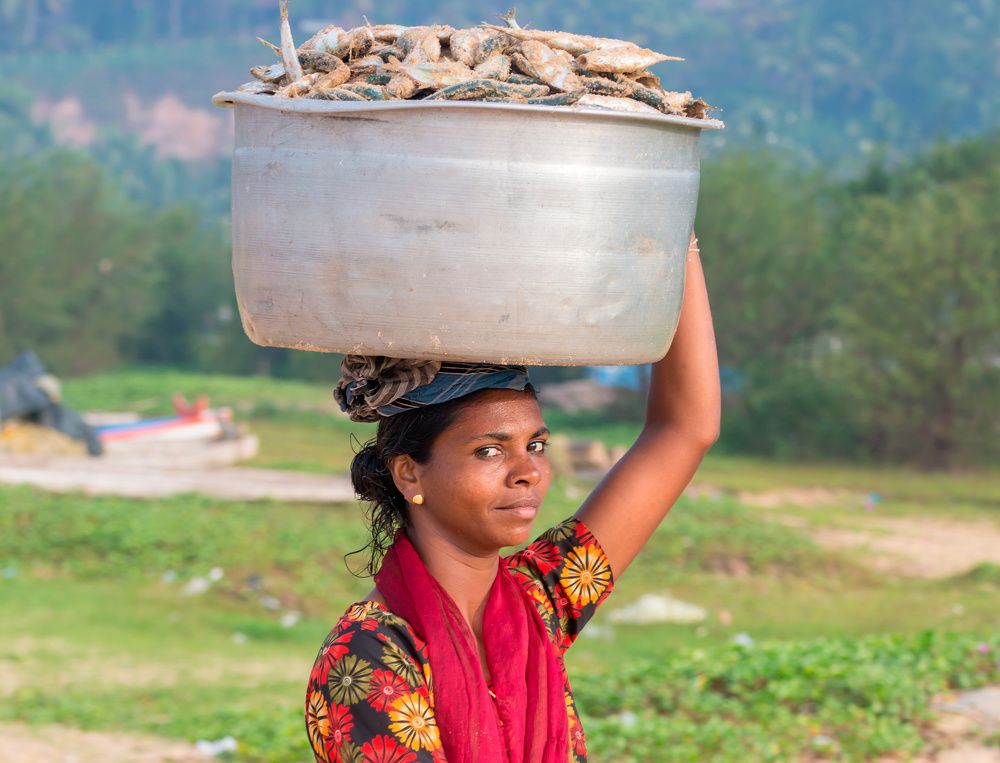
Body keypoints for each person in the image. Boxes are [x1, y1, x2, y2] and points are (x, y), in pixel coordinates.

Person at [305, 232, 720, 762]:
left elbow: (685, 430)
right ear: (410, 475)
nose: (528, 472)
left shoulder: (538, 601)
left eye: (536, 445)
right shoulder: (369, 654)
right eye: (488, 451)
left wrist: (675, 237)